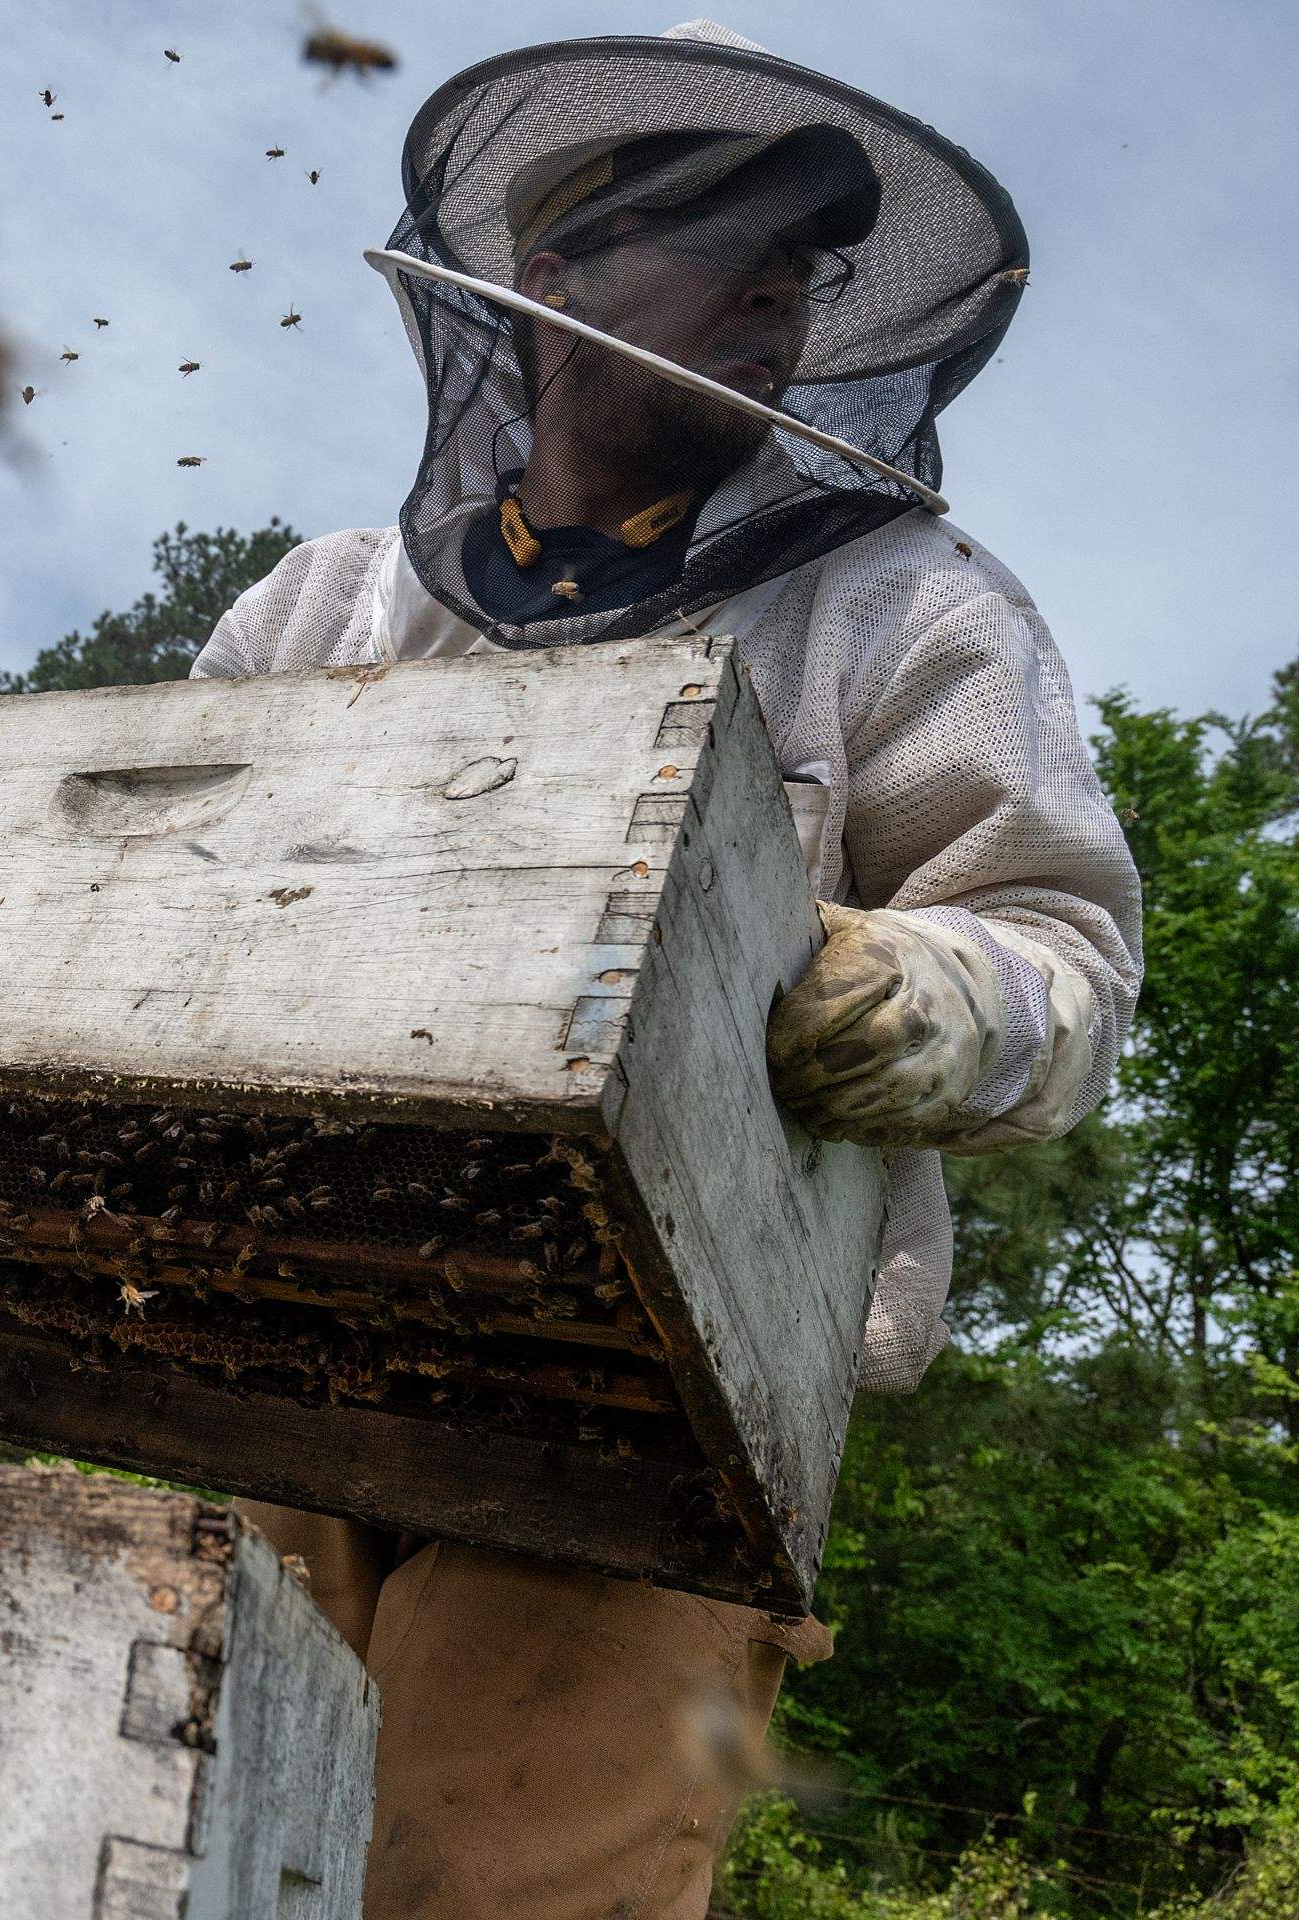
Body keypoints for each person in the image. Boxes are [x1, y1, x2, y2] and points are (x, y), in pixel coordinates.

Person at [193, 22, 1142, 1919]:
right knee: (173, 1851)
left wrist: (920, 997)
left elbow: (1070, 957)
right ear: (552, 285)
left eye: (805, 273)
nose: (783, 301)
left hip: (643, 1434)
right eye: (736, 248)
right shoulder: (328, 605)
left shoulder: (906, 605)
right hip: (266, 1360)